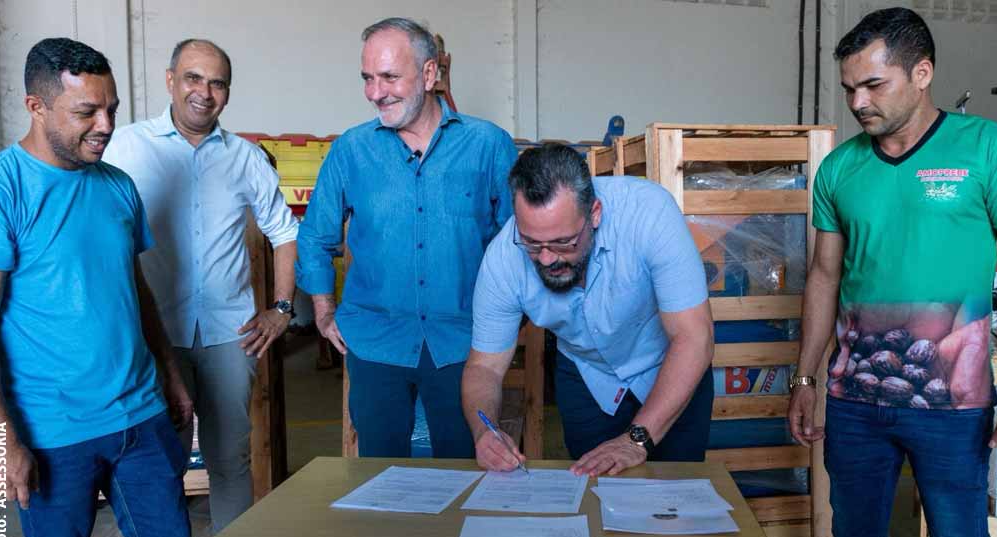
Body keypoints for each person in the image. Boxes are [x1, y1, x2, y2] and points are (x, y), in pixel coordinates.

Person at [787, 8, 997, 537]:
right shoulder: (840, 170)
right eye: (849, 88)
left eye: (874, 85)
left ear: (922, 73)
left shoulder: (992, 151)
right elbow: (822, 273)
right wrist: (807, 376)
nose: (858, 101)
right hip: (854, 401)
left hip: (952, 405)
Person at [0, 38, 192, 537]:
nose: (106, 126)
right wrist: (0, 441)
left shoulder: (116, 186)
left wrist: (169, 369)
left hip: (140, 413)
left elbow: (131, 288)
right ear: (36, 106)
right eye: (86, 112)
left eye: (111, 108)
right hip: (51, 426)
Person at [103, 38, 298, 537]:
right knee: (156, 470)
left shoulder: (243, 157)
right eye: (193, 78)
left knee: (230, 465)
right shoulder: (125, 146)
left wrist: (282, 308)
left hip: (226, 335)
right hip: (149, 337)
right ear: (169, 80)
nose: (203, 93)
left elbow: (283, 231)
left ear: (227, 93)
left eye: (216, 84)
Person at [296, 17, 518, 457]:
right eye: (368, 78)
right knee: (380, 477)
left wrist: (511, 317)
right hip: (374, 341)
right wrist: (323, 311)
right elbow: (315, 237)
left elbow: (517, 241)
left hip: (464, 345)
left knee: (464, 469)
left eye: (390, 77)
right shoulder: (351, 150)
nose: (376, 92)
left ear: (430, 73)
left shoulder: (488, 145)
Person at [464, 144, 715, 476]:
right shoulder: (502, 259)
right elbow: (485, 368)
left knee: (674, 499)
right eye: (532, 244)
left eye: (563, 242)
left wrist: (635, 440)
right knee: (592, 499)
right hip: (587, 375)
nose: (547, 258)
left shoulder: (649, 212)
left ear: (594, 213)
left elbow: (694, 338)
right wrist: (485, 432)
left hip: (668, 365)